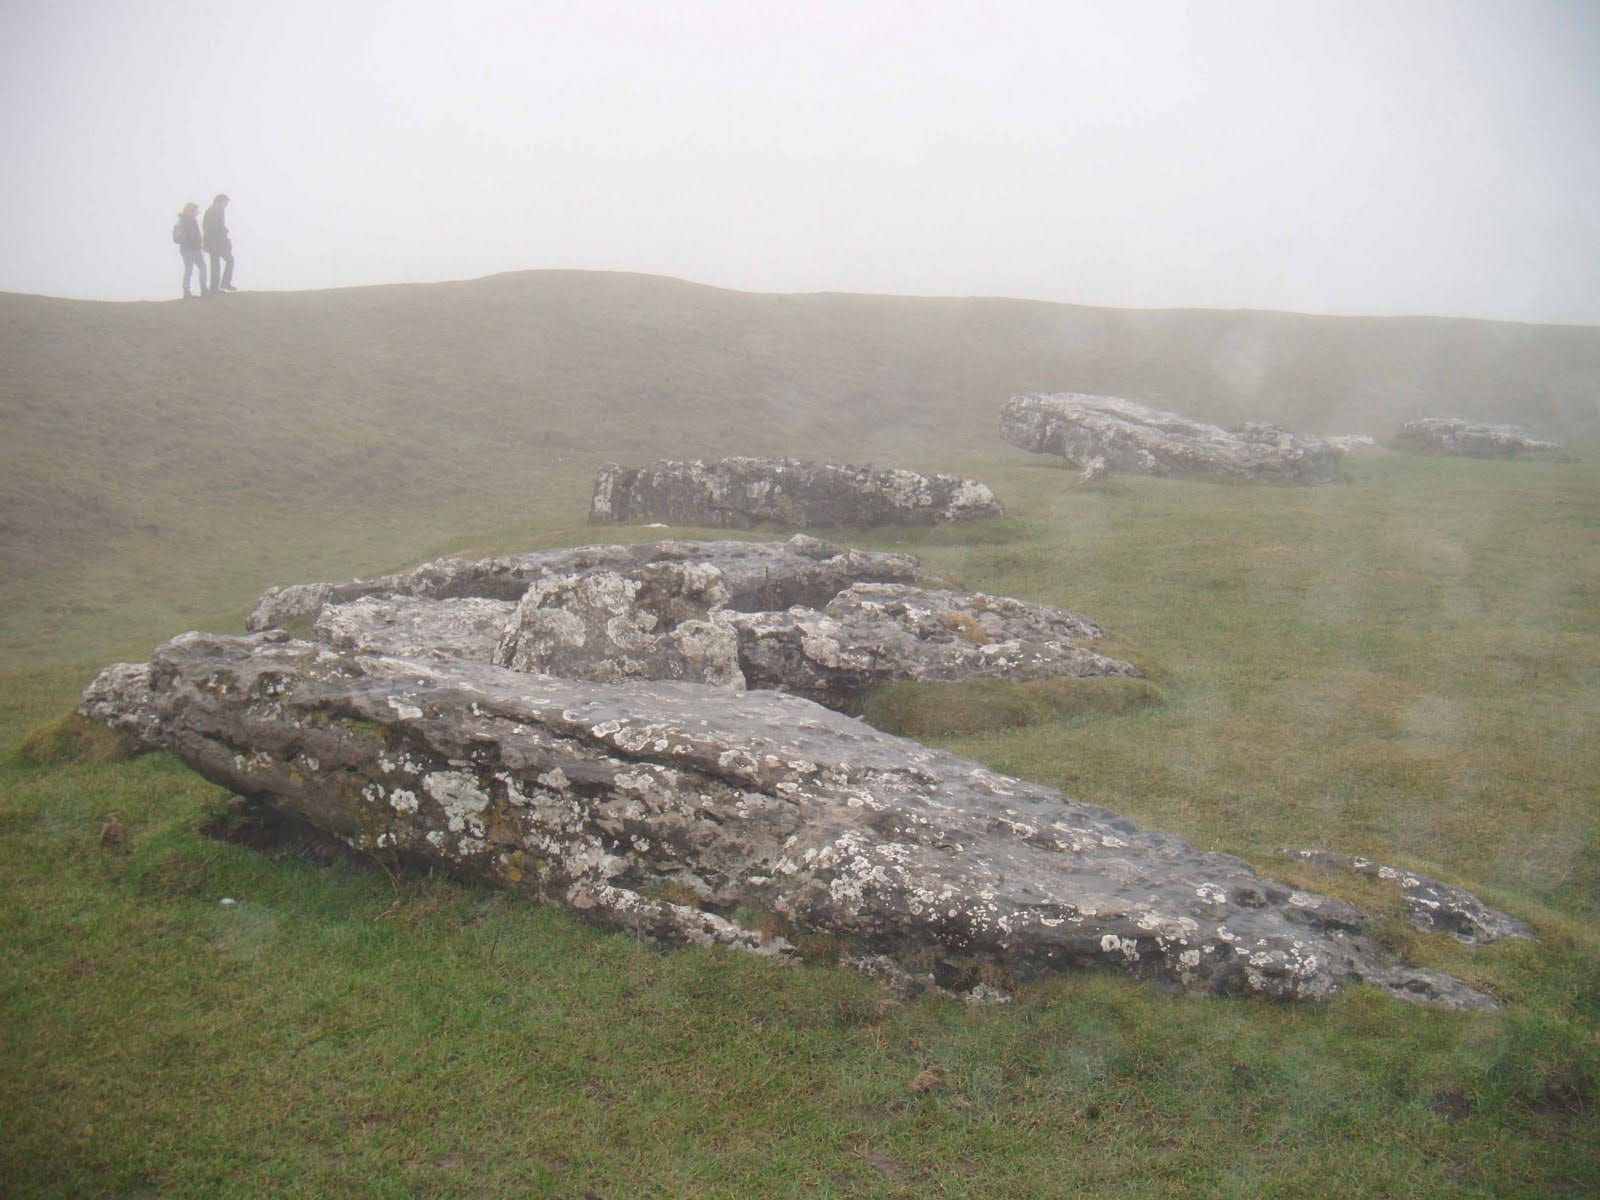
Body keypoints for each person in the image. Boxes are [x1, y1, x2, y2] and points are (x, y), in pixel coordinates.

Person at [202, 193, 236, 293]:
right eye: (226, 202)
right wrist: (224, 240)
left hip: (212, 242)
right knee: (229, 260)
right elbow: (216, 228)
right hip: (218, 243)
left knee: (215, 264)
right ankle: (224, 283)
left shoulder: (211, 210)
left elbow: (208, 227)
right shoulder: (217, 210)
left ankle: (215, 287)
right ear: (221, 201)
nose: (226, 205)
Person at [174, 202, 206, 299]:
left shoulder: (181, 221)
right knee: (202, 267)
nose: (197, 212)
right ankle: (203, 288)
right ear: (191, 211)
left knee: (188, 269)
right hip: (194, 249)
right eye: (196, 211)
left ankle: (186, 290)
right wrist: (200, 244)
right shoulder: (190, 221)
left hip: (184, 249)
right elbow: (194, 236)